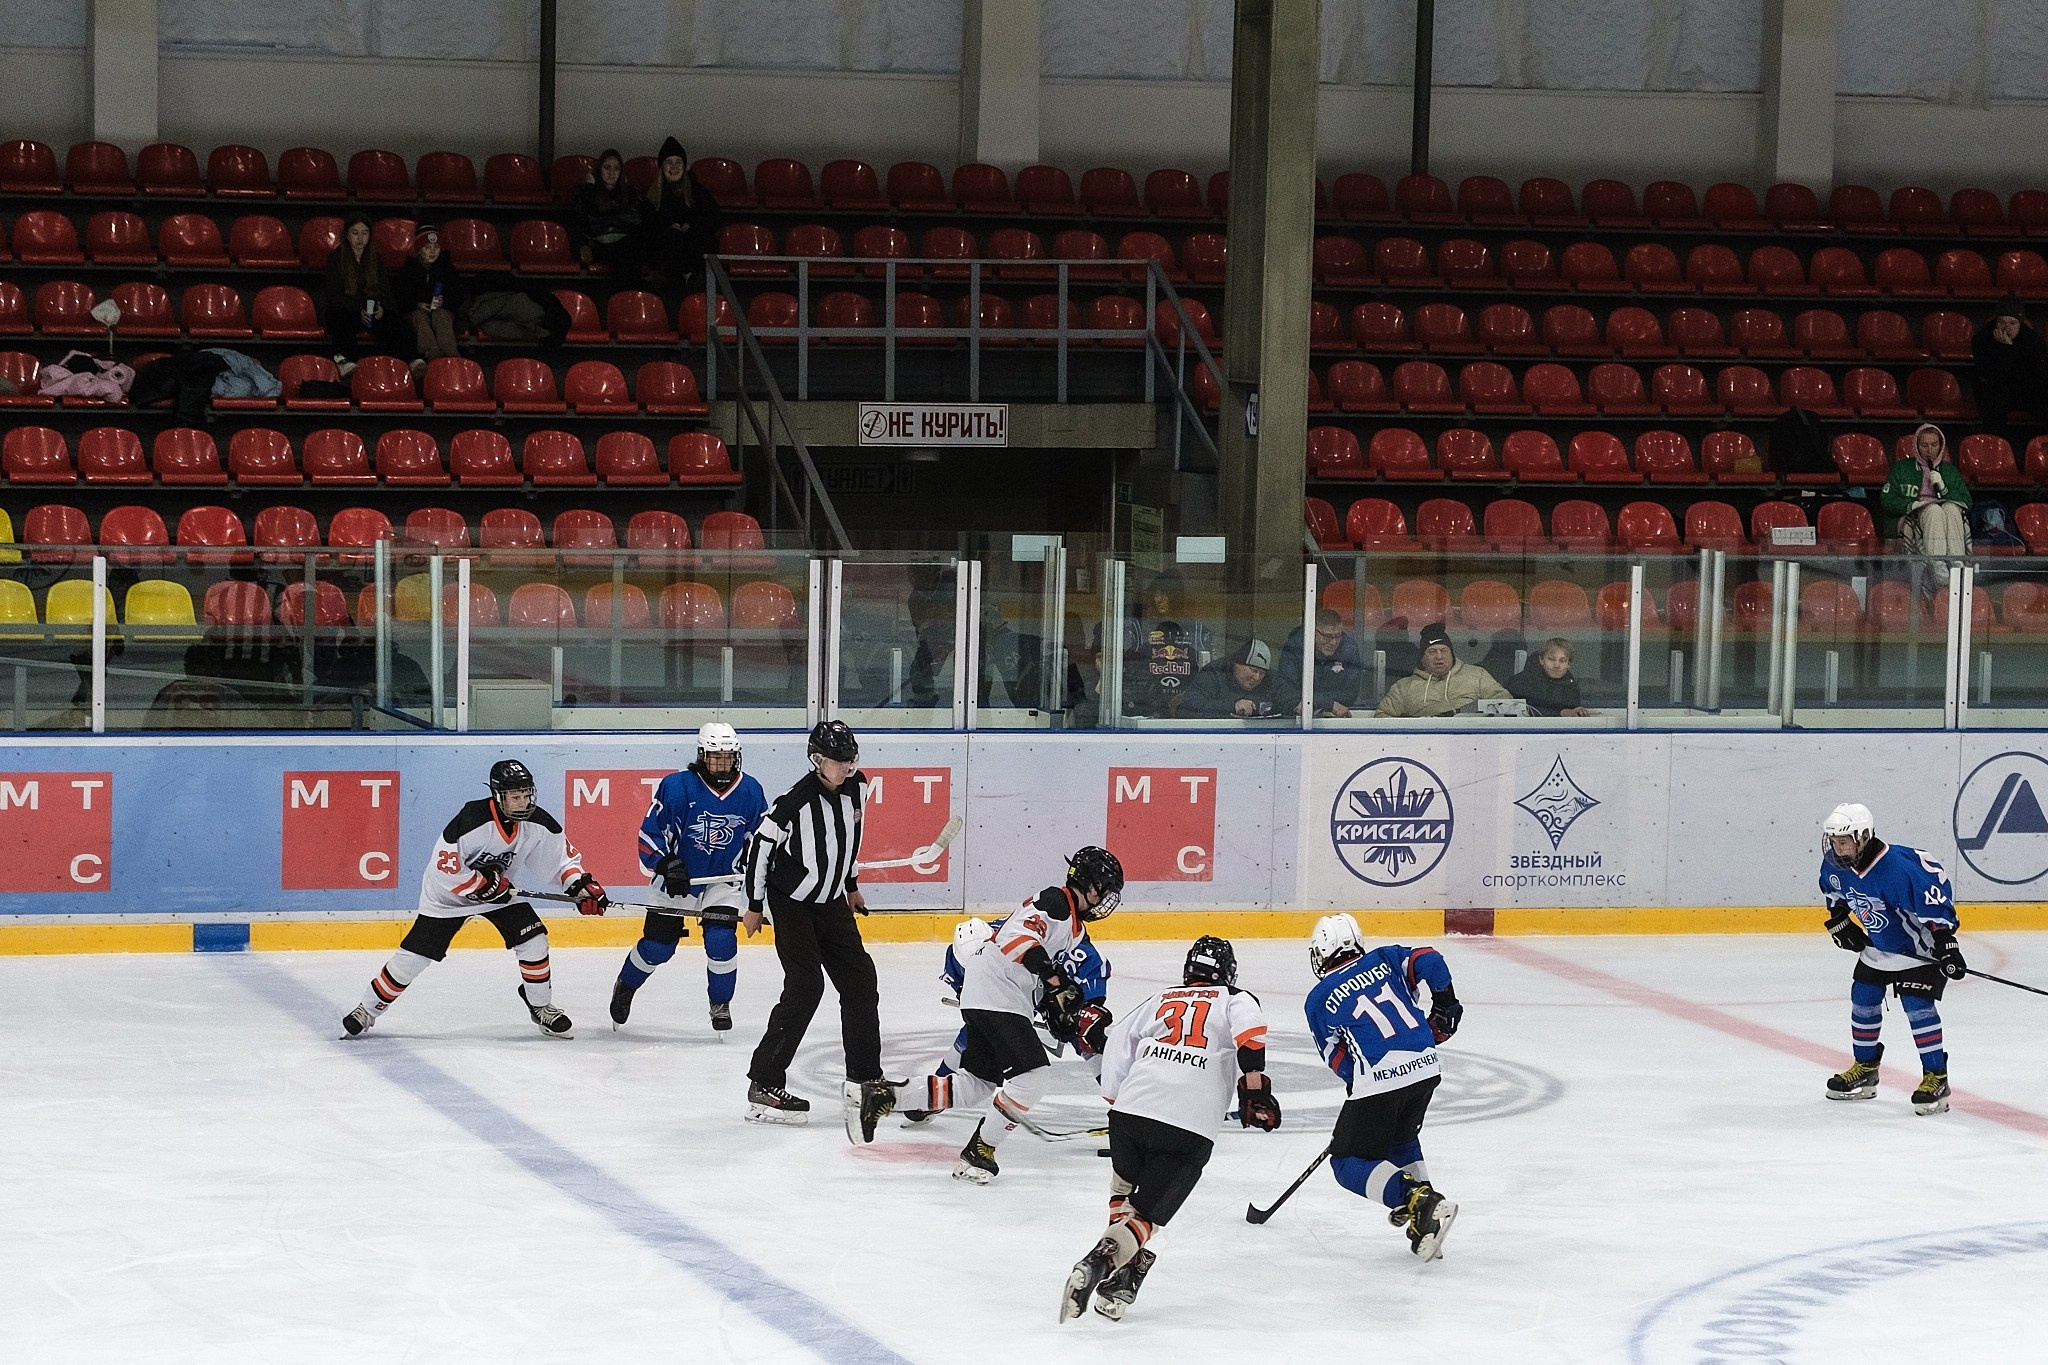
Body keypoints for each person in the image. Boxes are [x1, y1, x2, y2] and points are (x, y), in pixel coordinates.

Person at [854, 848, 1126, 1180]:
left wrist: (1058, 999)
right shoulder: (1056, 902)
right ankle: (981, 1149)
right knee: (1033, 1077)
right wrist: (1054, 982)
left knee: (976, 1085)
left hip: (996, 993)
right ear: (1090, 885)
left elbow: (1041, 960)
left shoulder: (1073, 926)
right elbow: (1017, 938)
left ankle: (885, 1095)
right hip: (999, 992)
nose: (1105, 901)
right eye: (1105, 890)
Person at [1060, 936, 1279, 1324]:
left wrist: (1117, 1100)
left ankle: (1125, 1278)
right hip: (1187, 1127)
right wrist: (1255, 1086)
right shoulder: (1234, 997)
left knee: (1123, 1192)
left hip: (1130, 1115)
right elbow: (1251, 1030)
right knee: (1147, 1217)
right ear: (1227, 973)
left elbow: (1117, 1046)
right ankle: (1102, 1260)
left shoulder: (1161, 998)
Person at [340, 760, 608, 1039]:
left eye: (527, 795)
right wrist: (483, 884)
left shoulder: (538, 823)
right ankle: (367, 1010)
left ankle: (541, 1006)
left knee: (534, 939)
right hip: (447, 898)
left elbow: (560, 862)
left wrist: (579, 886)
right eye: (515, 797)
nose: (523, 803)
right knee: (413, 959)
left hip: (500, 895)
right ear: (498, 795)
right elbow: (446, 871)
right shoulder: (471, 820)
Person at [740, 721, 883, 1125]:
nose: (846, 767)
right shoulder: (793, 804)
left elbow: (852, 838)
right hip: (792, 905)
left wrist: (850, 885)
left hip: (832, 901)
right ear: (816, 760)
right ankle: (764, 1082)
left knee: (860, 980)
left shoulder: (859, 788)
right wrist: (753, 905)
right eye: (838, 761)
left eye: (850, 759)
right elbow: (759, 852)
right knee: (805, 986)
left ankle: (865, 1078)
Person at [1304, 913, 1463, 1261]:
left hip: (1379, 1080)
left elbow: (1336, 1056)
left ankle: (1418, 1201)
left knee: (1346, 1162)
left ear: (1322, 953)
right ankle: (1428, 1216)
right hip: (1425, 1067)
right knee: (1400, 1139)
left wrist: (1357, 1081)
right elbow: (1429, 959)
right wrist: (1446, 1003)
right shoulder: (1387, 959)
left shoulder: (1318, 999)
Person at [610, 722, 768, 1033]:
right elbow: (649, 833)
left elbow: (761, 841)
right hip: (677, 881)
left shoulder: (751, 791)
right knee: (658, 947)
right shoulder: (677, 787)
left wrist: (763, 874)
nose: (722, 764)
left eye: (727, 757)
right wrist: (666, 863)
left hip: (722, 881)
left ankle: (720, 1003)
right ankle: (626, 984)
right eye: (715, 757)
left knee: (721, 940)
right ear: (701, 756)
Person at [1818, 802, 1966, 1115]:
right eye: (1833, 840)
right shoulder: (1835, 864)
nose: (1837, 848)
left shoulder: (1900, 868)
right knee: (1863, 996)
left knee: (1917, 1005)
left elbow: (1936, 903)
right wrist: (1839, 922)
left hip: (1918, 949)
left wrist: (1947, 945)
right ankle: (1866, 1069)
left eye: (1843, 841)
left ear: (1863, 837)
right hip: (1878, 946)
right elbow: (1835, 897)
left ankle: (1936, 1077)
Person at [1119, 572, 1213, 717]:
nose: (1161, 600)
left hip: (1187, 707)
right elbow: (1129, 670)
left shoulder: (1197, 629)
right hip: (1146, 707)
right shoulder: (1139, 628)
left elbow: (1207, 671)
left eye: (1167, 594)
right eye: (1157, 594)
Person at [1881, 422, 1973, 567]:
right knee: (1933, 511)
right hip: (1915, 514)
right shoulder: (1901, 468)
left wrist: (1944, 488)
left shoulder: (1950, 471)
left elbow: (1967, 501)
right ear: (1916, 446)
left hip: (1944, 514)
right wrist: (1912, 504)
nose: (1930, 450)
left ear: (1941, 445)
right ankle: (1937, 567)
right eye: (1924, 445)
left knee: (1952, 509)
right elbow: (1887, 500)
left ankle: (1957, 564)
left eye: (1934, 445)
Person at [1375, 621, 1512, 718]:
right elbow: (1382, 717)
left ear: (1452, 654)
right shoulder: (1404, 687)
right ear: (1422, 658)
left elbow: (1507, 704)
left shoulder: (1478, 676)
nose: (1439, 657)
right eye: (1432, 652)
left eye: (1444, 651)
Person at [642, 136, 723, 297]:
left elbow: (714, 217)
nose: (674, 167)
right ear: (662, 167)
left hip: (695, 252)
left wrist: (691, 227)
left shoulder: (697, 191)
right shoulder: (652, 196)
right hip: (666, 261)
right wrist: (668, 228)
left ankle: (691, 278)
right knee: (672, 237)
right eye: (669, 163)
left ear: (684, 165)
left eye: (678, 162)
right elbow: (647, 225)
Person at [390, 223, 469, 368]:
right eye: (427, 248)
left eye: (436, 248)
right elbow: (401, 296)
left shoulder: (447, 267)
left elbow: (458, 294)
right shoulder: (409, 268)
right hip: (416, 311)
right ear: (419, 250)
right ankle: (432, 354)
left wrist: (443, 301)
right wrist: (417, 304)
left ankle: (452, 356)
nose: (432, 252)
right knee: (419, 318)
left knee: (442, 316)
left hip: (442, 309)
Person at [322, 211, 394, 365]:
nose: (360, 238)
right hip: (347, 309)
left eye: (365, 233)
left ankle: (401, 363)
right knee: (340, 319)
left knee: (395, 322)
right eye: (355, 233)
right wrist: (358, 309)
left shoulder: (376, 258)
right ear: (347, 235)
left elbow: (384, 289)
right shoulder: (336, 258)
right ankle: (346, 362)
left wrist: (381, 307)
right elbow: (333, 295)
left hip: (372, 310)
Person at [1970, 299, 2048, 431]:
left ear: (2020, 323)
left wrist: (2010, 349)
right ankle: (1995, 444)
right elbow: (1993, 376)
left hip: (2024, 388)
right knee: (1993, 398)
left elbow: (2036, 374)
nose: (2006, 328)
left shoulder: (2033, 341)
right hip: (1995, 388)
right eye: (2002, 322)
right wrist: (2005, 349)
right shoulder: (1982, 339)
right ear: (1995, 322)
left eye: (2012, 323)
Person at [573, 148, 646, 285]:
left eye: (616, 168)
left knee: (630, 251)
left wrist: (606, 217)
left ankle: (624, 294)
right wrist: (590, 187)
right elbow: (583, 220)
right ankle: (628, 294)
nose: (611, 172)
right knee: (627, 254)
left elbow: (635, 220)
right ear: (599, 170)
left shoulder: (630, 194)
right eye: (607, 167)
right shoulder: (587, 193)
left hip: (625, 243)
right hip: (600, 245)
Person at [1279, 608, 1364, 717]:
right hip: (1299, 718)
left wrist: (1315, 701)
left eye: (1338, 635)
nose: (1333, 642)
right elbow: (1286, 694)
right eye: (1327, 636)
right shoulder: (1295, 647)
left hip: (1336, 716)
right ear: (1312, 632)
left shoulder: (1349, 648)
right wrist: (1328, 703)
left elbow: (1351, 693)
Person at [1177, 638, 1284, 718]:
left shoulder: (1271, 678)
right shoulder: (1214, 672)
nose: (1257, 677)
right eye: (1253, 670)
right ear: (1236, 665)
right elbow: (1187, 707)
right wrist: (1232, 706)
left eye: (1262, 673)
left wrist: (1296, 704)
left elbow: (1288, 697)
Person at [1508, 637, 1595, 717]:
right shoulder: (1521, 682)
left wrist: (1579, 712)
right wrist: (1561, 713)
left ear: (1569, 664)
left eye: (1562, 660)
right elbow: (1516, 710)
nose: (1556, 665)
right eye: (1551, 659)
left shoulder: (1570, 684)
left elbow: (1573, 711)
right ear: (1541, 660)